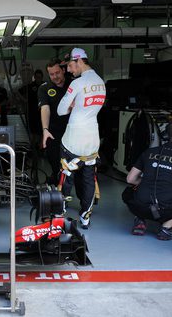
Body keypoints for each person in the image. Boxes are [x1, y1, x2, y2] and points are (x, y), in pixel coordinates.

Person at [122, 119, 172, 240]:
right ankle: (166, 228)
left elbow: (130, 179)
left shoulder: (149, 152)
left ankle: (140, 220)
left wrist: (146, 182)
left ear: (165, 135)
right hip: (165, 210)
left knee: (130, 191)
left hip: (138, 206)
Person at [57, 48, 105, 229]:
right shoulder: (101, 82)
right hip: (93, 137)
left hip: (74, 137)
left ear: (79, 61)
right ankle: (86, 217)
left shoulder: (77, 84)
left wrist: (71, 107)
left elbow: (61, 110)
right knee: (88, 179)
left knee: (66, 177)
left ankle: (60, 214)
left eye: (69, 65)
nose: (68, 70)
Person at [38, 60, 70, 185]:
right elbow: (45, 108)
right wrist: (45, 129)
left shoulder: (74, 84)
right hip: (53, 130)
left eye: (57, 72)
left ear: (63, 70)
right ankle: (58, 180)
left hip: (73, 129)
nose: (55, 76)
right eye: (52, 74)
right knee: (53, 158)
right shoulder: (44, 88)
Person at [19, 69, 45, 143]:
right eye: (37, 77)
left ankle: (41, 146)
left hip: (43, 111)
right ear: (34, 77)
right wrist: (24, 100)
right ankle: (33, 146)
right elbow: (18, 92)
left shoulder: (45, 85)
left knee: (42, 129)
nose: (38, 79)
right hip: (32, 111)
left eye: (39, 77)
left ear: (42, 77)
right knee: (32, 130)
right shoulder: (30, 86)